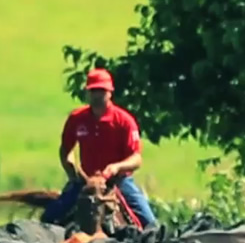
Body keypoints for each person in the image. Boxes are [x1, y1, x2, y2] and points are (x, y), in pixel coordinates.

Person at [42, 68, 158, 228]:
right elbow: (66, 150)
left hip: (118, 181)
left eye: (101, 91)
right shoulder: (77, 119)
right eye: (93, 90)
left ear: (110, 92)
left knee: (151, 224)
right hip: (86, 182)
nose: (97, 95)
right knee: (49, 217)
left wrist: (116, 167)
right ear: (88, 93)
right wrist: (73, 173)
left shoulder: (124, 121)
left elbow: (136, 158)